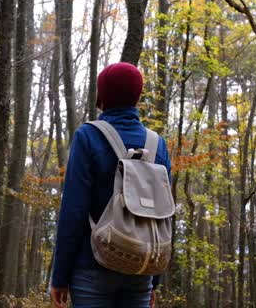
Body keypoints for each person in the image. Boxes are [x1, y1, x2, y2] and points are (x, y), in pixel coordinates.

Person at [50, 62, 172, 308]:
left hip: (91, 267)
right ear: (137, 96)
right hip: (140, 268)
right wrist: (154, 278)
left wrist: (60, 276)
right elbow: (162, 216)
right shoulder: (157, 145)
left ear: (102, 94)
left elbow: (74, 211)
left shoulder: (88, 137)